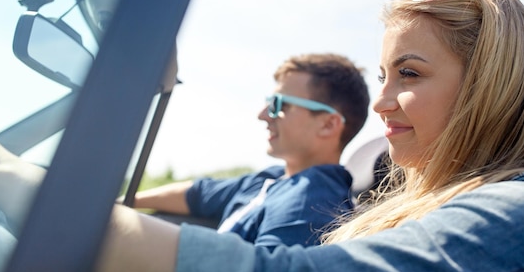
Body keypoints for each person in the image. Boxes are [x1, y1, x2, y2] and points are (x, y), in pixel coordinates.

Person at [0, 0, 524, 272]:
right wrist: (121, 208)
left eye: (411, 74)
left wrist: (0, 170)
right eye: (384, 74)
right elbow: (197, 193)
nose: (385, 99)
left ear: (489, 86)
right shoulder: (271, 185)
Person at [125, 53, 370, 249]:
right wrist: (120, 204)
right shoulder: (273, 178)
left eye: (277, 105)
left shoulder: (311, 198)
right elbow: (197, 193)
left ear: (328, 124)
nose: (262, 114)